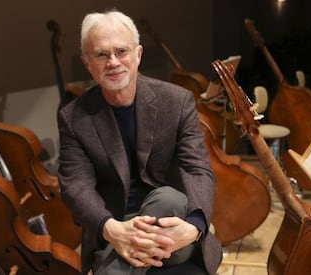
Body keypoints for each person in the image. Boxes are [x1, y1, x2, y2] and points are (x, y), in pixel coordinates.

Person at [57, 9, 222, 275]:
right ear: (87, 62)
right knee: (165, 200)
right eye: (101, 54)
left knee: (167, 198)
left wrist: (193, 227)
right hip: (115, 228)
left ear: (138, 55)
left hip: (173, 230)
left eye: (121, 51)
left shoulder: (177, 101)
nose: (113, 62)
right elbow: (76, 185)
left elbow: (198, 170)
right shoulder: (73, 117)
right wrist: (111, 229)